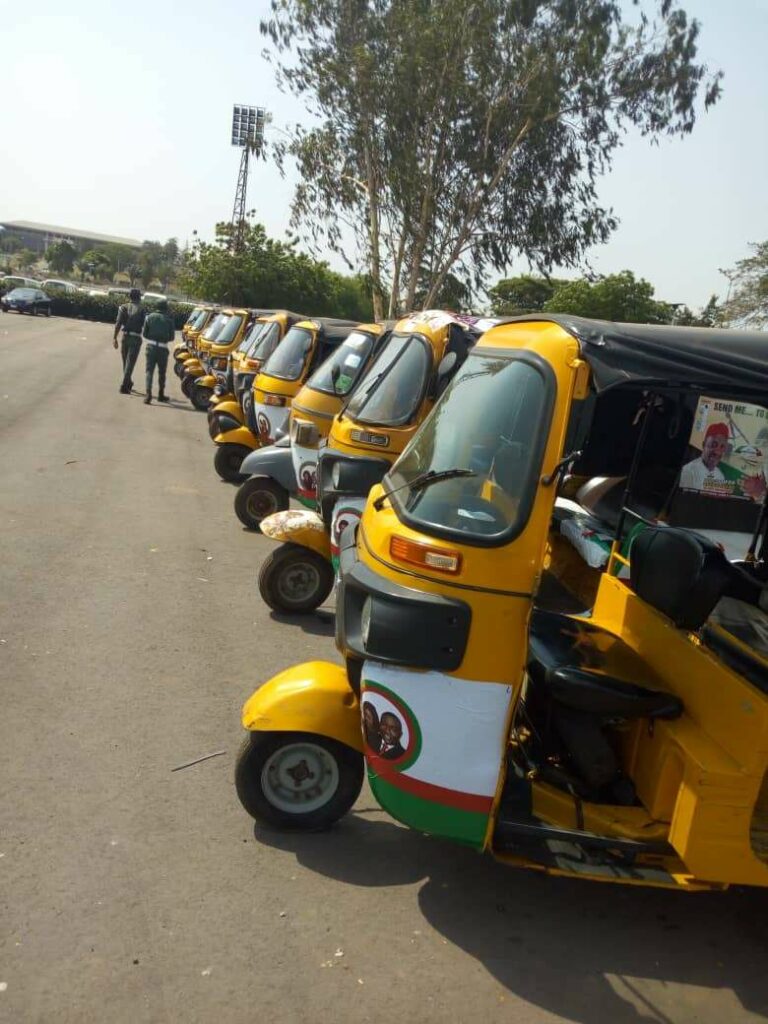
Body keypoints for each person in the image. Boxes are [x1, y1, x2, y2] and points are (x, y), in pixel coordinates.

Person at [142, 300, 176, 404]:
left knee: (149, 372)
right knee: (162, 373)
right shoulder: (169, 320)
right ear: (165, 308)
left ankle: (148, 395)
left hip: (151, 347)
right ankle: (161, 394)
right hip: (163, 348)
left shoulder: (150, 317)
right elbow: (172, 337)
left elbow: (145, 334)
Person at [679, 422, 729, 492]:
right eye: (713, 445)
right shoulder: (688, 471)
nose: (717, 452)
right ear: (703, 445)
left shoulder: (720, 476)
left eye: (722, 447)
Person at [113, 288, 146, 394]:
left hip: (125, 337)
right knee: (130, 363)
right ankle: (124, 385)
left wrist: (115, 338)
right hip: (136, 338)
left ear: (130, 297)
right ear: (139, 297)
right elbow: (145, 325)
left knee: (125, 363)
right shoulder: (142, 309)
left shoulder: (123, 307)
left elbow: (118, 323)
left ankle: (128, 382)